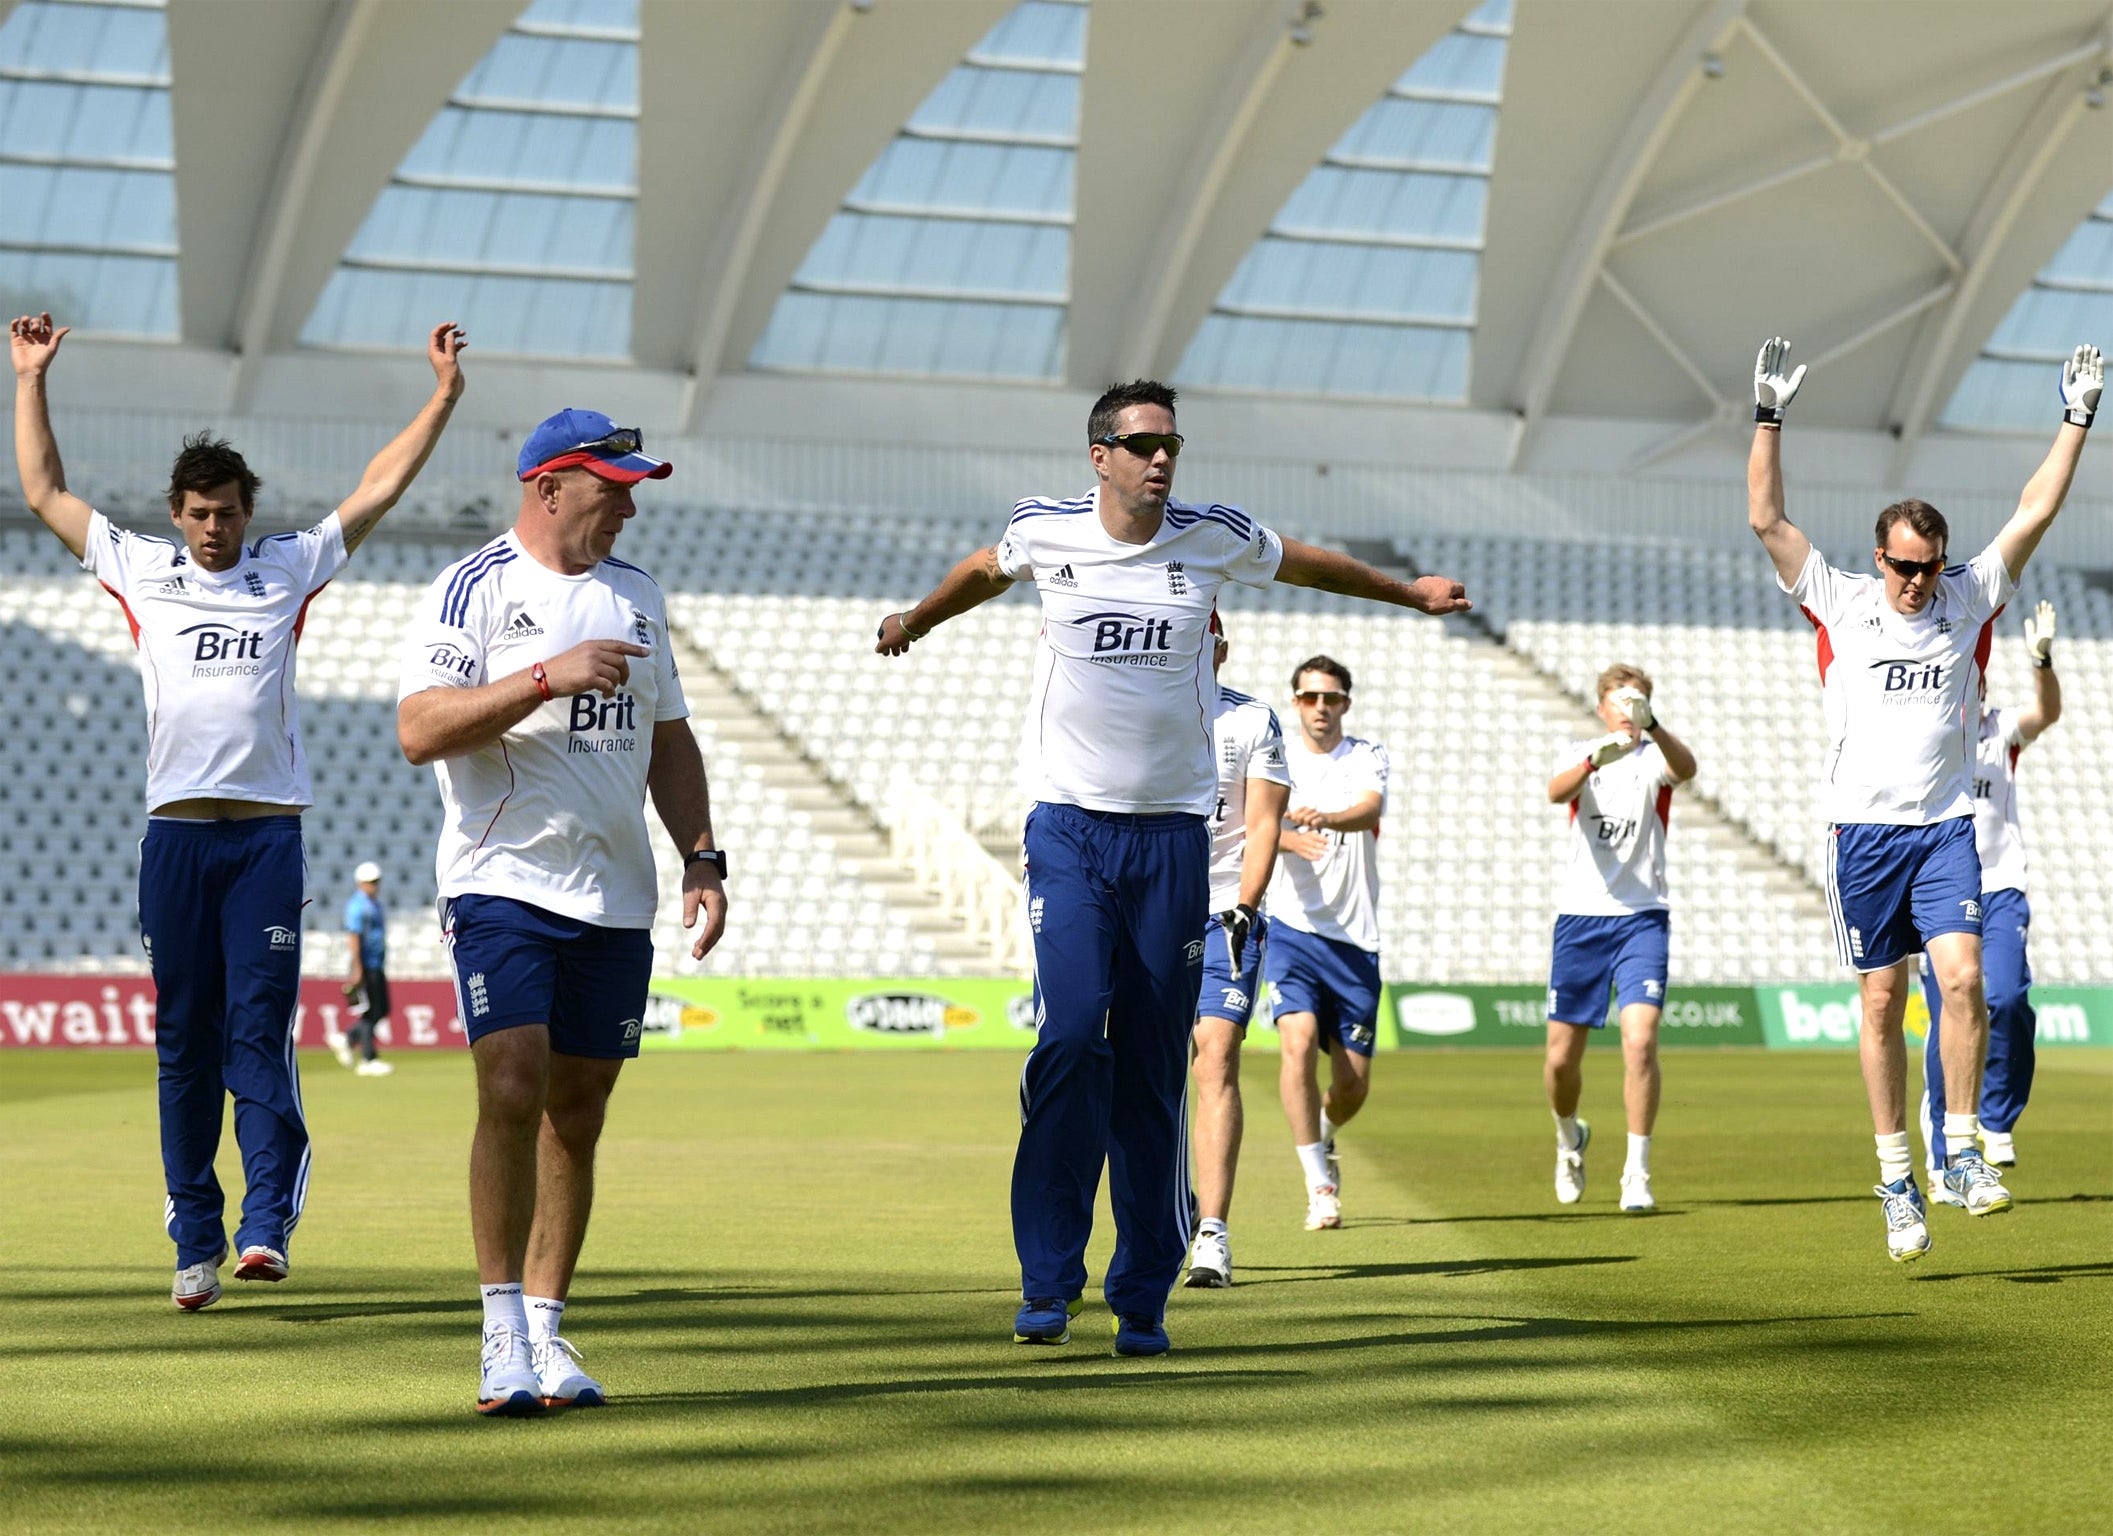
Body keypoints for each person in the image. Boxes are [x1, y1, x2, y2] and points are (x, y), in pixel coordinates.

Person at [874, 380, 1469, 1356]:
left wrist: (1407, 593)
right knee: (1072, 1038)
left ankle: (1141, 1294)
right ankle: (1047, 1282)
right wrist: (916, 618)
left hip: (1171, 840)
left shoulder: (1209, 535)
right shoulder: (1046, 529)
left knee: (1155, 1068)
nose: (1161, 459)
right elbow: (983, 569)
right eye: (1142, 444)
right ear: (1099, 455)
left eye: (1171, 446)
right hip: (1069, 830)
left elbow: (1306, 564)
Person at [10, 311, 466, 1312]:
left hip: (264, 837)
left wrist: (441, 396)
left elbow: (377, 489)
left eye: (227, 512)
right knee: (183, 1042)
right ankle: (193, 1237)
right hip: (176, 838)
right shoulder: (142, 569)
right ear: (176, 516)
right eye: (199, 513)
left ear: (247, 512)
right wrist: (31, 376)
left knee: (257, 1033)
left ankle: (265, 1226)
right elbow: (43, 491)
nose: (214, 527)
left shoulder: (288, 566)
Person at [397, 408, 728, 1417]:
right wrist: (545, 676)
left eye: (632, 489)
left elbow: (668, 737)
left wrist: (701, 857)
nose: (627, 506)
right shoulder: (473, 587)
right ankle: (499, 1332)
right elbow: (419, 729)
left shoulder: (637, 594)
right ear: (547, 486)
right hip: (502, 880)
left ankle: (546, 1333)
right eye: (610, 487)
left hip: (616, 896)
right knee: (511, 1079)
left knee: (577, 1112)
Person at [1747, 335, 2100, 1262]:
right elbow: (1765, 518)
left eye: (1929, 566)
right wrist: (1767, 416)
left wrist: (2076, 418)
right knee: (1879, 1003)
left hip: (1944, 829)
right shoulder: (1839, 598)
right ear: (1879, 558)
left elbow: (2034, 509)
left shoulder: (1967, 596)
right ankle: (1897, 1181)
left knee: (1964, 980)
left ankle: (1960, 1152)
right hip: (1862, 833)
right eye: (1903, 566)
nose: (1916, 581)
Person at [1543, 665, 1696, 1214]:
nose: (1628, 710)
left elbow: (1687, 769)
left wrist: (1653, 726)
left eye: (1638, 701)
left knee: (1640, 1039)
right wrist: (1594, 760)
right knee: (1561, 1060)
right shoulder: (1580, 753)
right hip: (1581, 919)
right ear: (1601, 707)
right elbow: (1556, 792)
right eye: (1620, 700)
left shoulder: (1655, 757)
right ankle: (1569, 1139)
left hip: (1641, 917)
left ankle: (1637, 1171)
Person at [1919, 601, 2061, 1189]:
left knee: (2004, 999)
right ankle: (1941, 1159)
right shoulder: (1930, 733)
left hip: (2000, 886)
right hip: (1941, 888)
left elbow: (2046, 714)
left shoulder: (2000, 729)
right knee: (1944, 1020)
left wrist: (2042, 662)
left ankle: (1996, 1120)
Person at [1183, 618, 1290, 1289]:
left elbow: (1265, 822)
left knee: (1217, 1055)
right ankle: (1170, 1208)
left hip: (1224, 911)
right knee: (1145, 1068)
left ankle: (1212, 1234)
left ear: (1220, 648)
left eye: (1206, 639)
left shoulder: (1252, 719)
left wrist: (1246, 905)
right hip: (1150, 911)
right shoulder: (1139, 708)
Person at [1265, 657, 1390, 1232]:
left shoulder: (1366, 755)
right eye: (1311, 697)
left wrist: (1327, 819)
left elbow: (1369, 810)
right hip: (1291, 930)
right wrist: (1287, 838)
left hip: (1354, 940)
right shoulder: (1276, 759)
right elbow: (1247, 826)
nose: (1321, 707)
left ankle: (1324, 1135)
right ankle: (1319, 1186)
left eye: (1332, 698)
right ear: (1295, 702)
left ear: (1346, 704)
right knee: (1296, 1043)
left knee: (1352, 1086)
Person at [340, 860, 395, 1076]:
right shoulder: (358, 906)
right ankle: (368, 1058)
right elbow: (354, 938)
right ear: (360, 883)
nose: (375, 885)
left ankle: (348, 1038)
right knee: (371, 1011)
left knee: (381, 1009)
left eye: (377, 881)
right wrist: (357, 968)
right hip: (366, 964)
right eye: (371, 882)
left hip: (376, 963)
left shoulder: (373, 904)